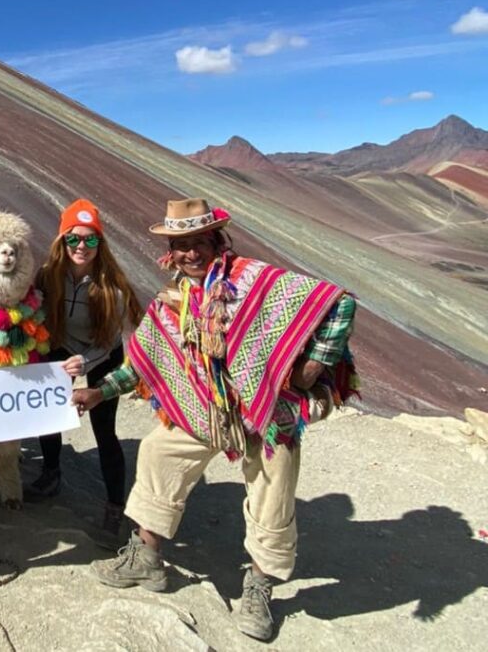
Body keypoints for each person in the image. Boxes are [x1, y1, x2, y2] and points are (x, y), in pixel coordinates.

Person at [72, 198, 358, 641]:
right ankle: (146, 558)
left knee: (272, 491)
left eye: (198, 243)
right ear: (169, 249)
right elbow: (141, 366)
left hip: (267, 411)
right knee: (158, 451)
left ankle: (260, 587)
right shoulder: (172, 302)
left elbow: (338, 302)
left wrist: (314, 366)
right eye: (180, 245)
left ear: (215, 240)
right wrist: (98, 391)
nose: (190, 254)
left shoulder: (255, 280)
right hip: (205, 410)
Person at [23, 199, 141, 537]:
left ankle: (115, 505)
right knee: (49, 413)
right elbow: (38, 314)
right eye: (74, 238)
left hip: (102, 353)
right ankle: (51, 473)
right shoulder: (48, 276)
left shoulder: (111, 287)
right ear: (62, 240)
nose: (82, 247)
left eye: (91, 240)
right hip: (61, 346)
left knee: (104, 430)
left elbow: (109, 340)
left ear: (100, 244)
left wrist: (84, 363)